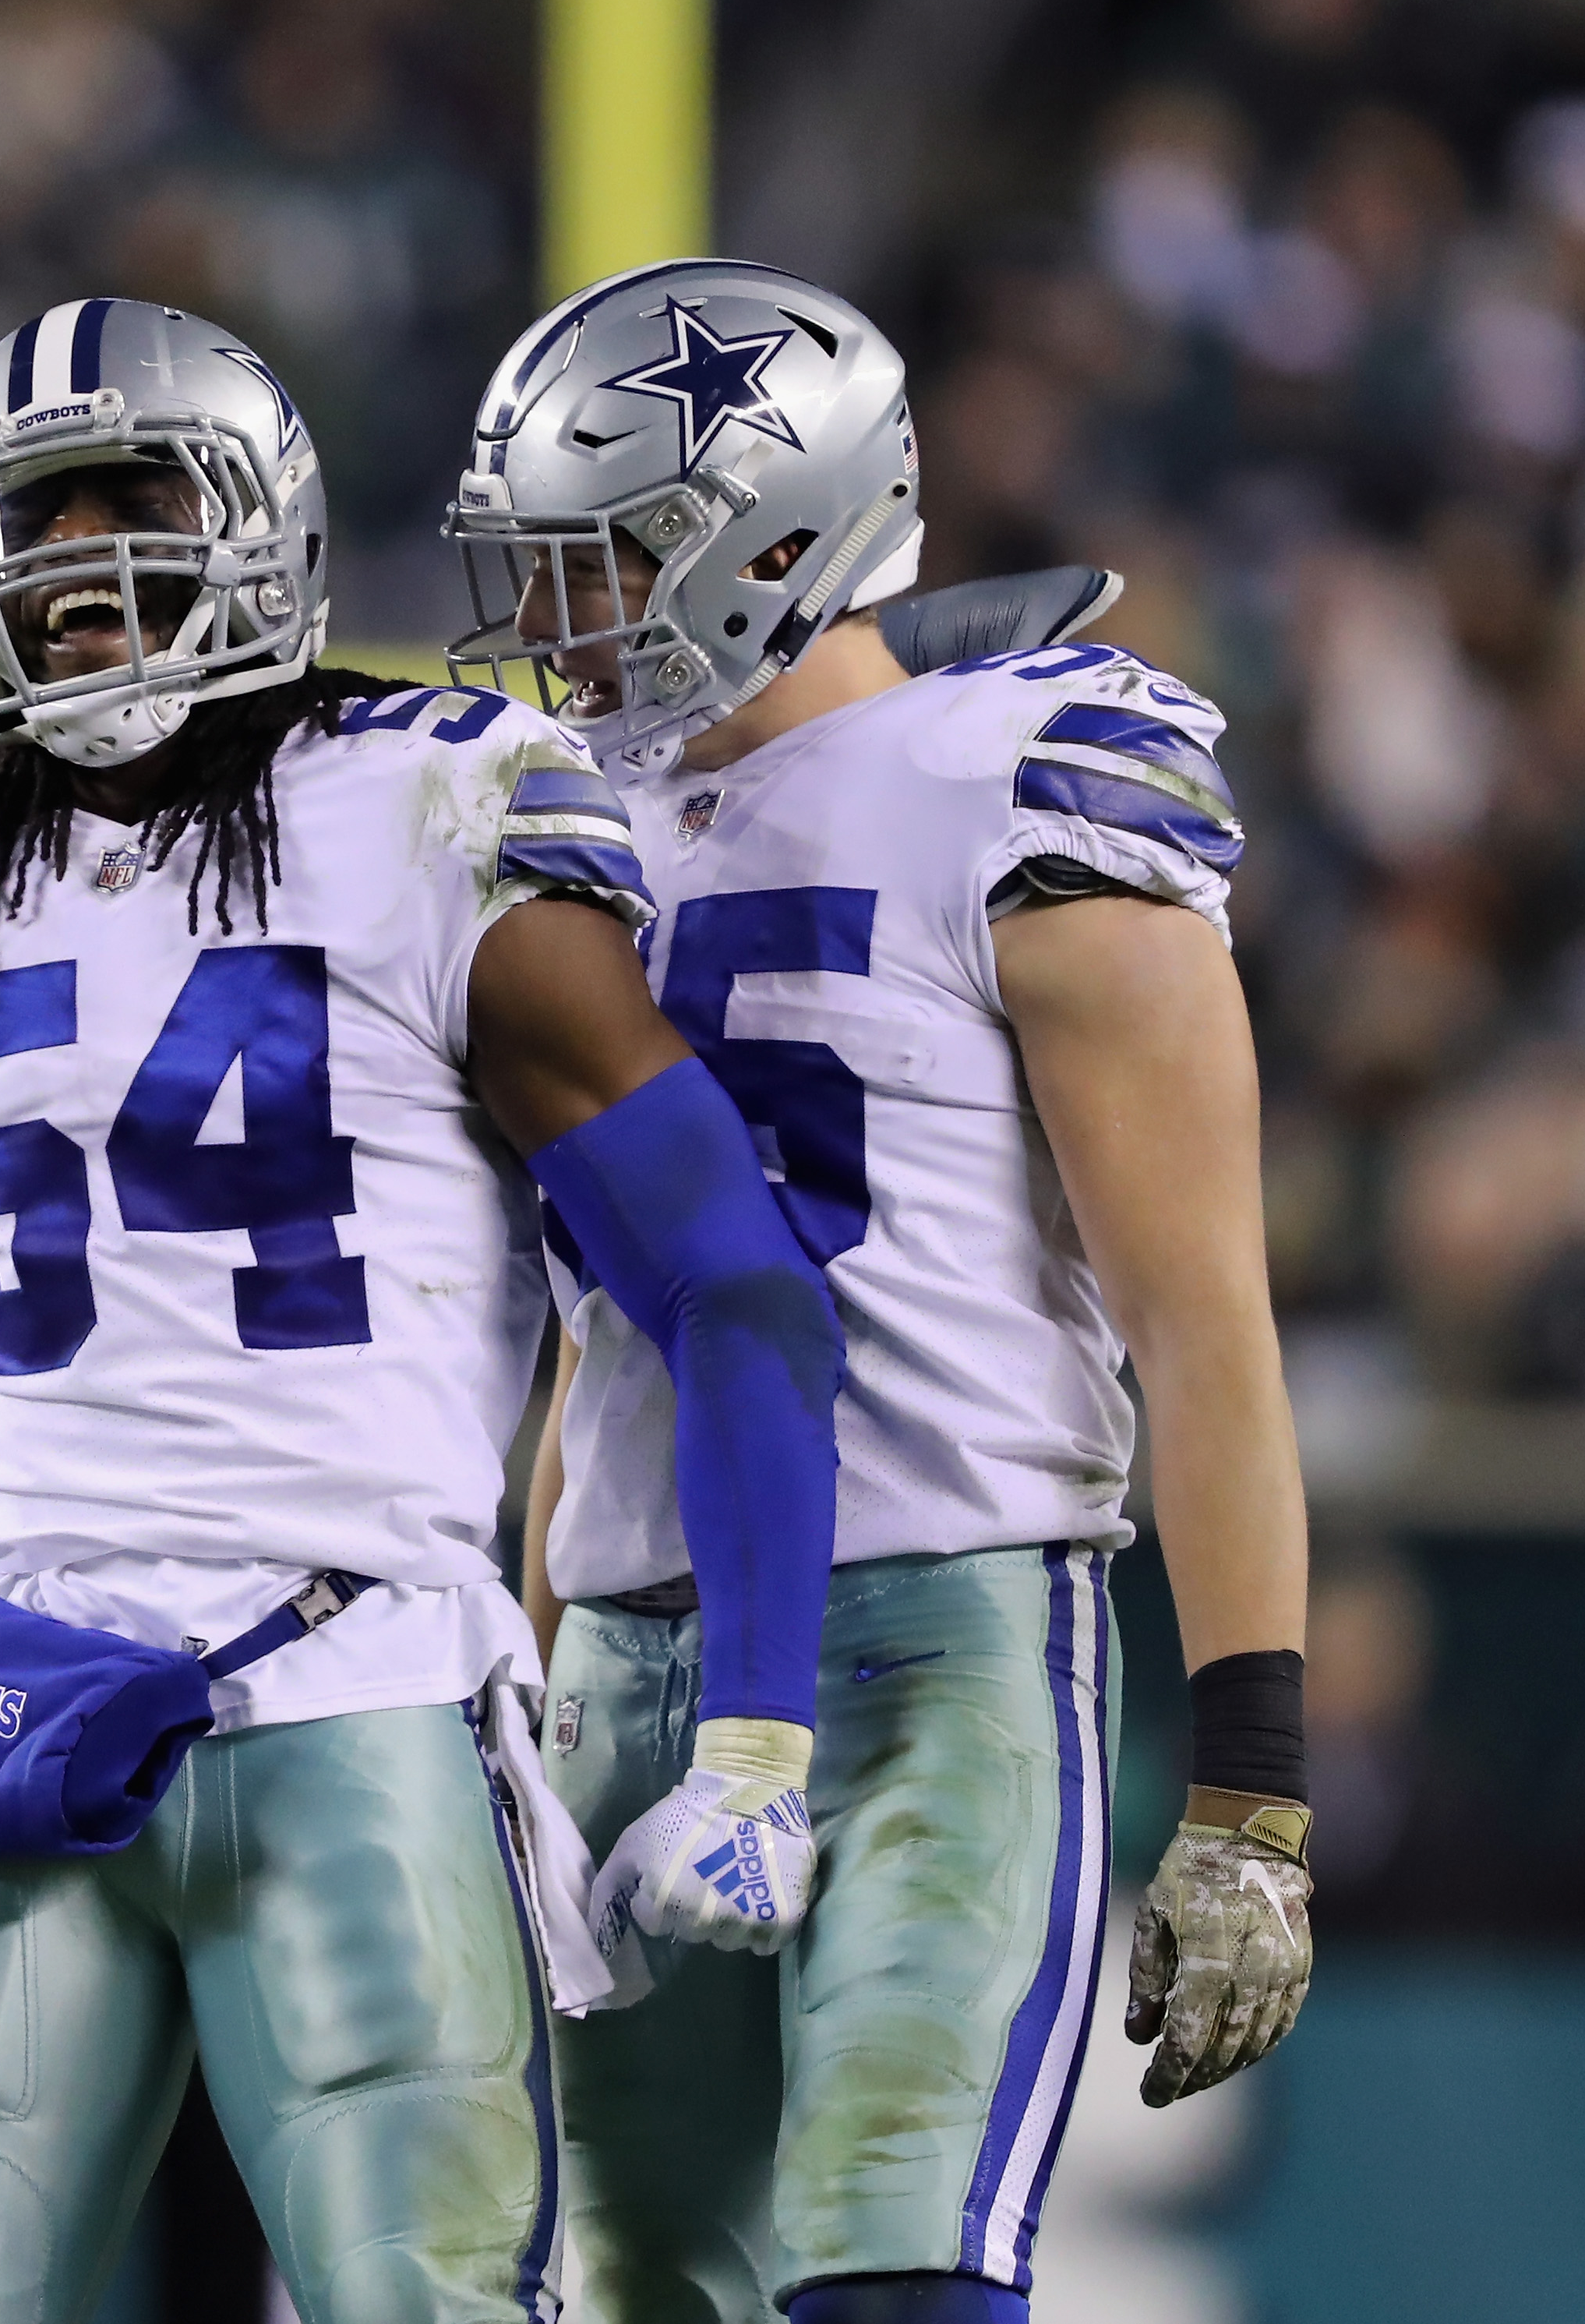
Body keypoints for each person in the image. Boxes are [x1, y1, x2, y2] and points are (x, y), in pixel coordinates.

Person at [0, 295, 851, 2323]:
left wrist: (761, 1728)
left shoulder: (430, 807)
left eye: (128, 495)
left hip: (350, 1686)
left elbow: (736, 1286)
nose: (74, 560)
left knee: (419, 2296)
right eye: (30, 512)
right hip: (0, 1698)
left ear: (257, 522)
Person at [450, 259, 1314, 2324]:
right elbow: (593, 1338)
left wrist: (1251, 1797)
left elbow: (1204, 1330)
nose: (566, 613)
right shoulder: (551, 824)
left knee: (891, 2259)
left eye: (618, 552)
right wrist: (535, 1670)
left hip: (947, 1631)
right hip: (640, 1660)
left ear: (778, 536)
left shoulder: (1022, 781)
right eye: (542, 558)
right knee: (639, 2278)